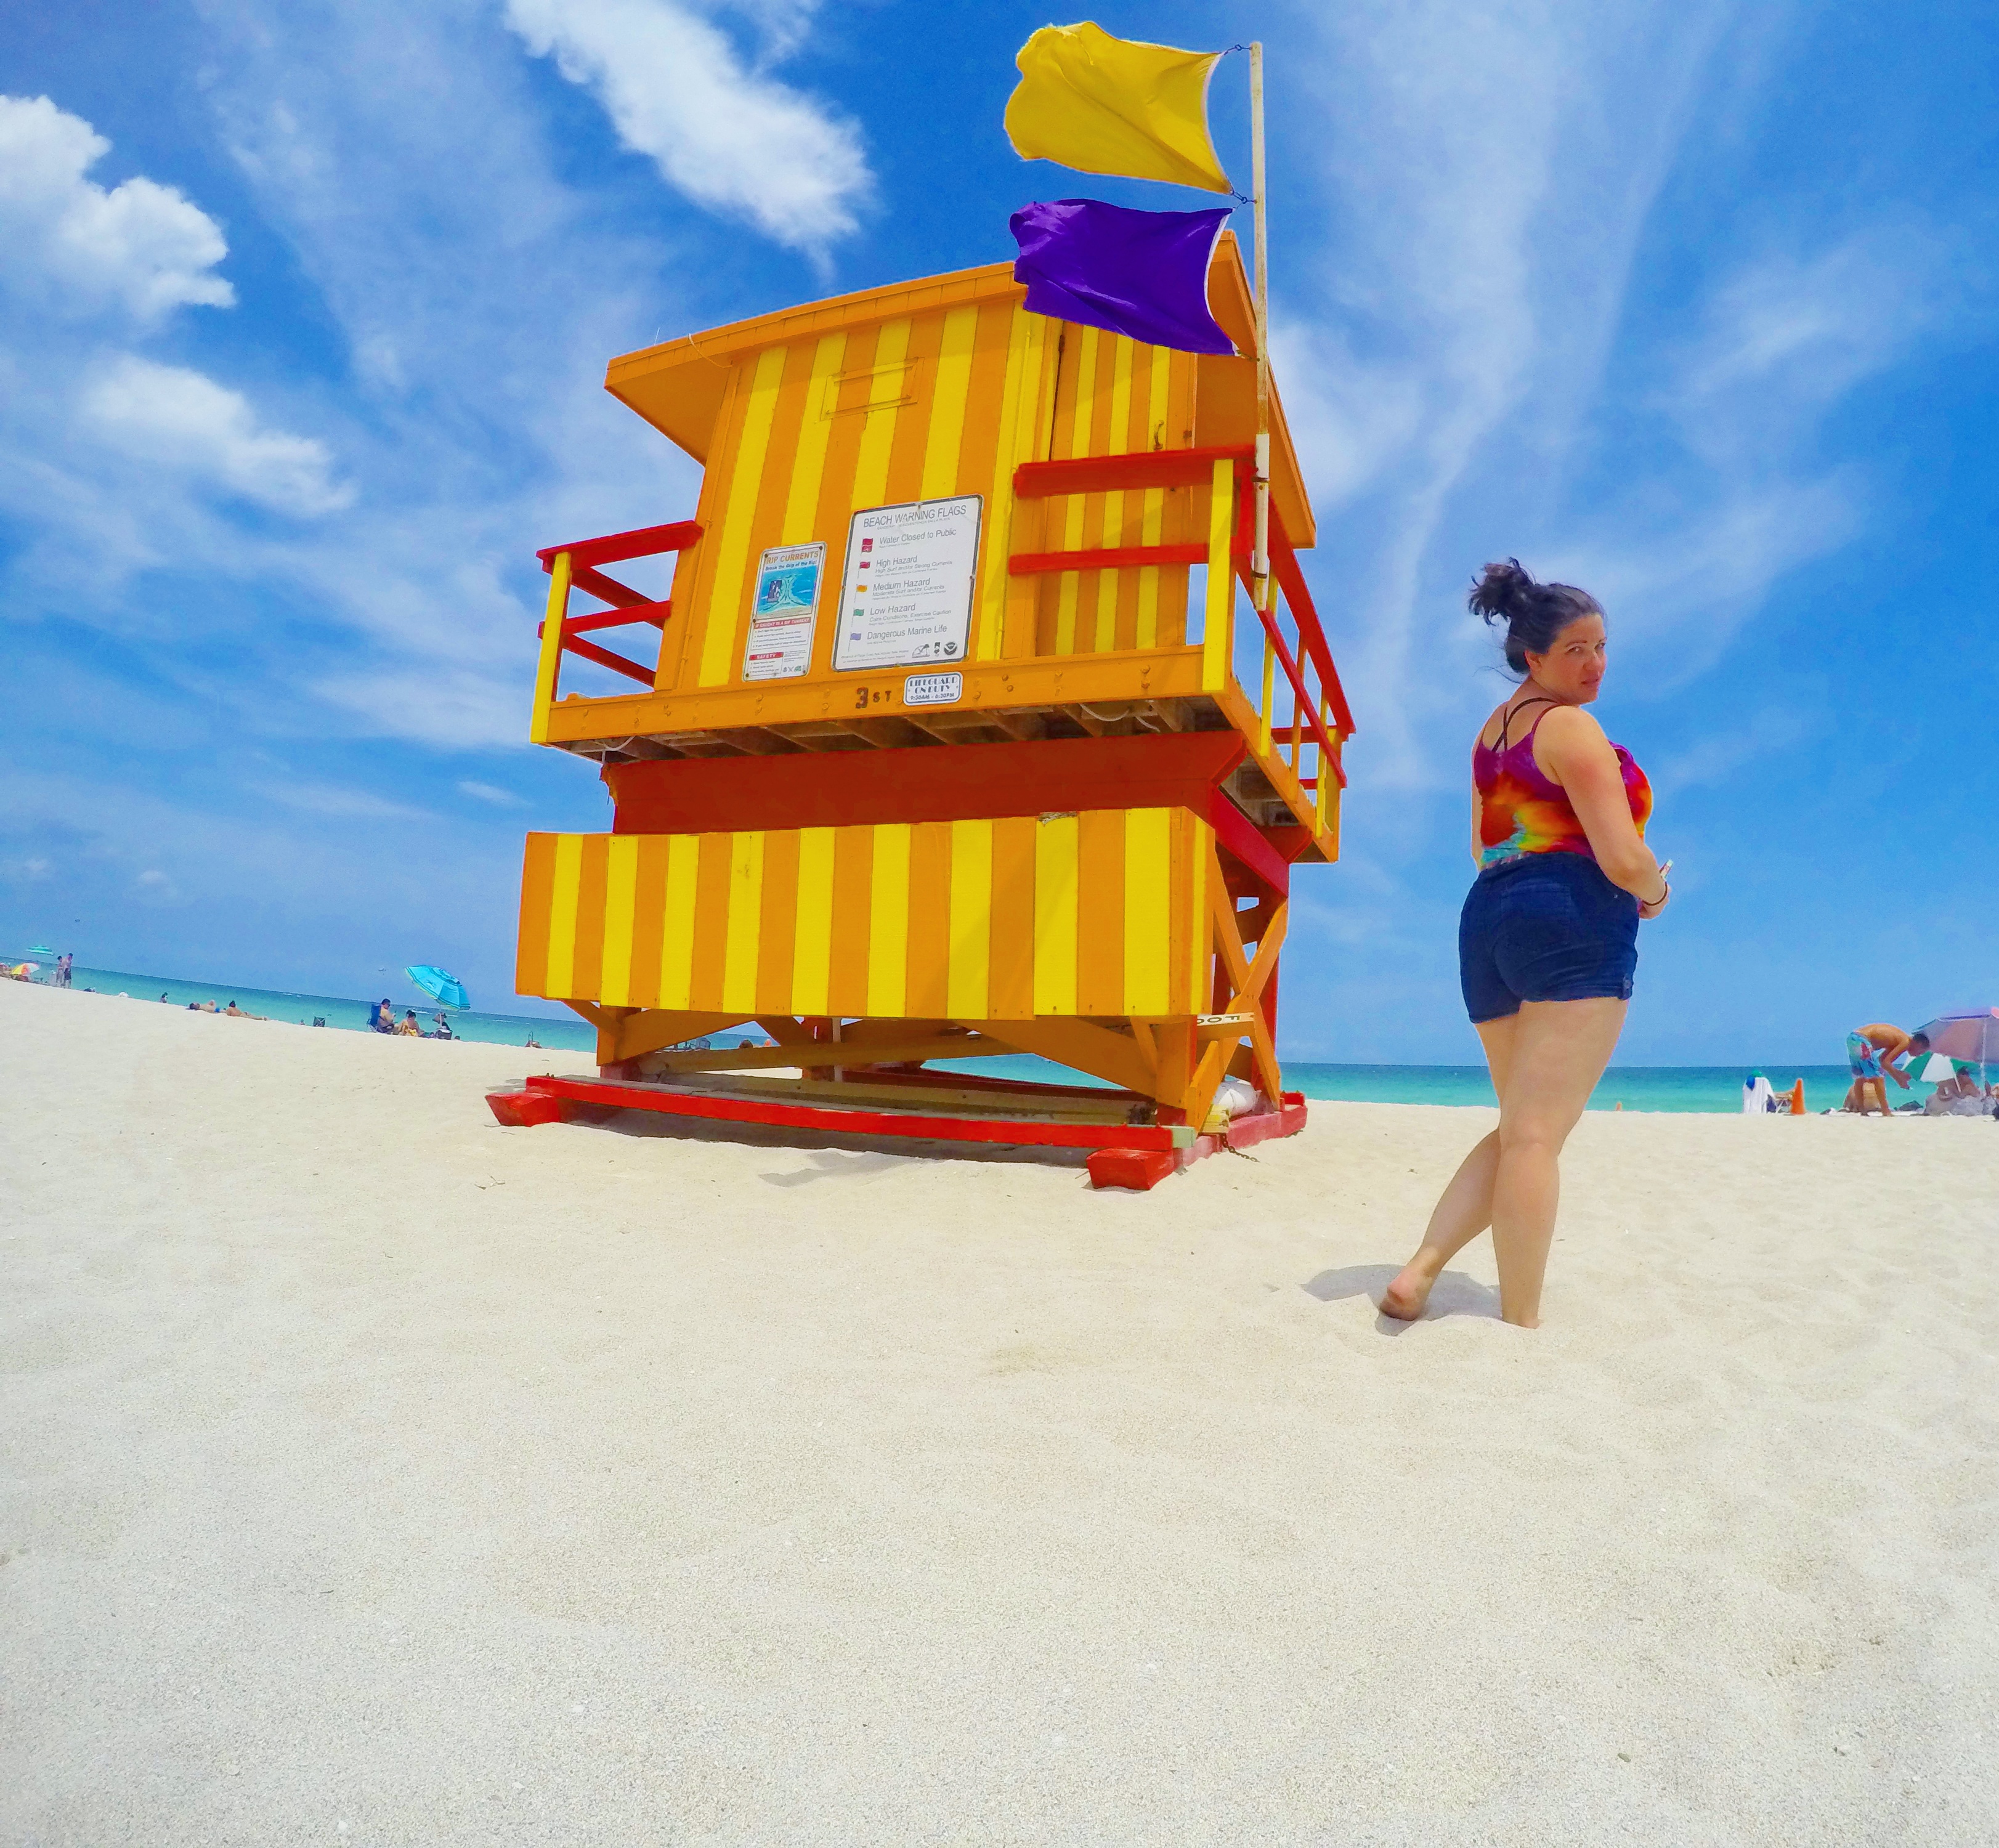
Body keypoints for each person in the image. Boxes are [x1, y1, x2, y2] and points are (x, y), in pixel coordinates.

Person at [1381, 559, 1669, 1329]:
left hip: (1489, 920)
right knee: (1539, 1136)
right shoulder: (1569, 725)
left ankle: (1421, 1269)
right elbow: (1619, 854)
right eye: (1574, 649)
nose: (1594, 664)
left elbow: (1482, 848)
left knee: (1520, 1128)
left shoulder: (1489, 738)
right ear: (1531, 658)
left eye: (1601, 646)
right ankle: (1520, 1323)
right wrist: (1654, 892)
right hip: (1570, 914)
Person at [1841, 1024, 1926, 1115]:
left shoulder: (1897, 1040)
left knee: (1860, 1076)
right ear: (1919, 1044)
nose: (1918, 1055)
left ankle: (1863, 1111)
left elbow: (1883, 1061)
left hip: (1853, 1038)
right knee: (1878, 1077)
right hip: (1863, 1040)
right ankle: (1886, 1111)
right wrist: (1900, 1081)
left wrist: (1899, 1073)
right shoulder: (1906, 1041)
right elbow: (1886, 1063)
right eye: (1921, 1052)